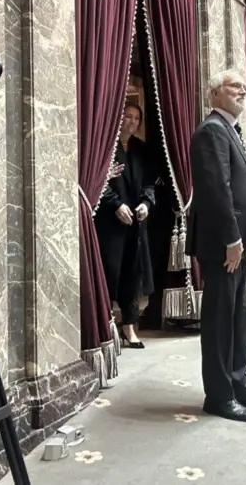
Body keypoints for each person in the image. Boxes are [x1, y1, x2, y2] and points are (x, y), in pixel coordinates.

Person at [187, 69, 246, 423]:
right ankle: (220, 395)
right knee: (221, 319)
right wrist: (232, 238)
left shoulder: (230, 130)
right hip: (224, 244)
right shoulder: (211, 130)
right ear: (214, 94)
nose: (245, 90)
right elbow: (216, 189)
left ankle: (239, 382)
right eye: (235, 86)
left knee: (240, 317)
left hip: (238, 244)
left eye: (245, 86)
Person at [95, 104, 155, 348]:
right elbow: (95, 180)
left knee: (133, 273)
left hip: (136, 222)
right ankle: (106, 324)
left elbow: (149, 185)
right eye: (127, 116)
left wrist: (146, 205)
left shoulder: (142, 149)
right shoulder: (105, 146)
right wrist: (115, 204)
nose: (131, 121)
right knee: (111, 272)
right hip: (110, 220)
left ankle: (129, 326)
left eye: (136, 118)